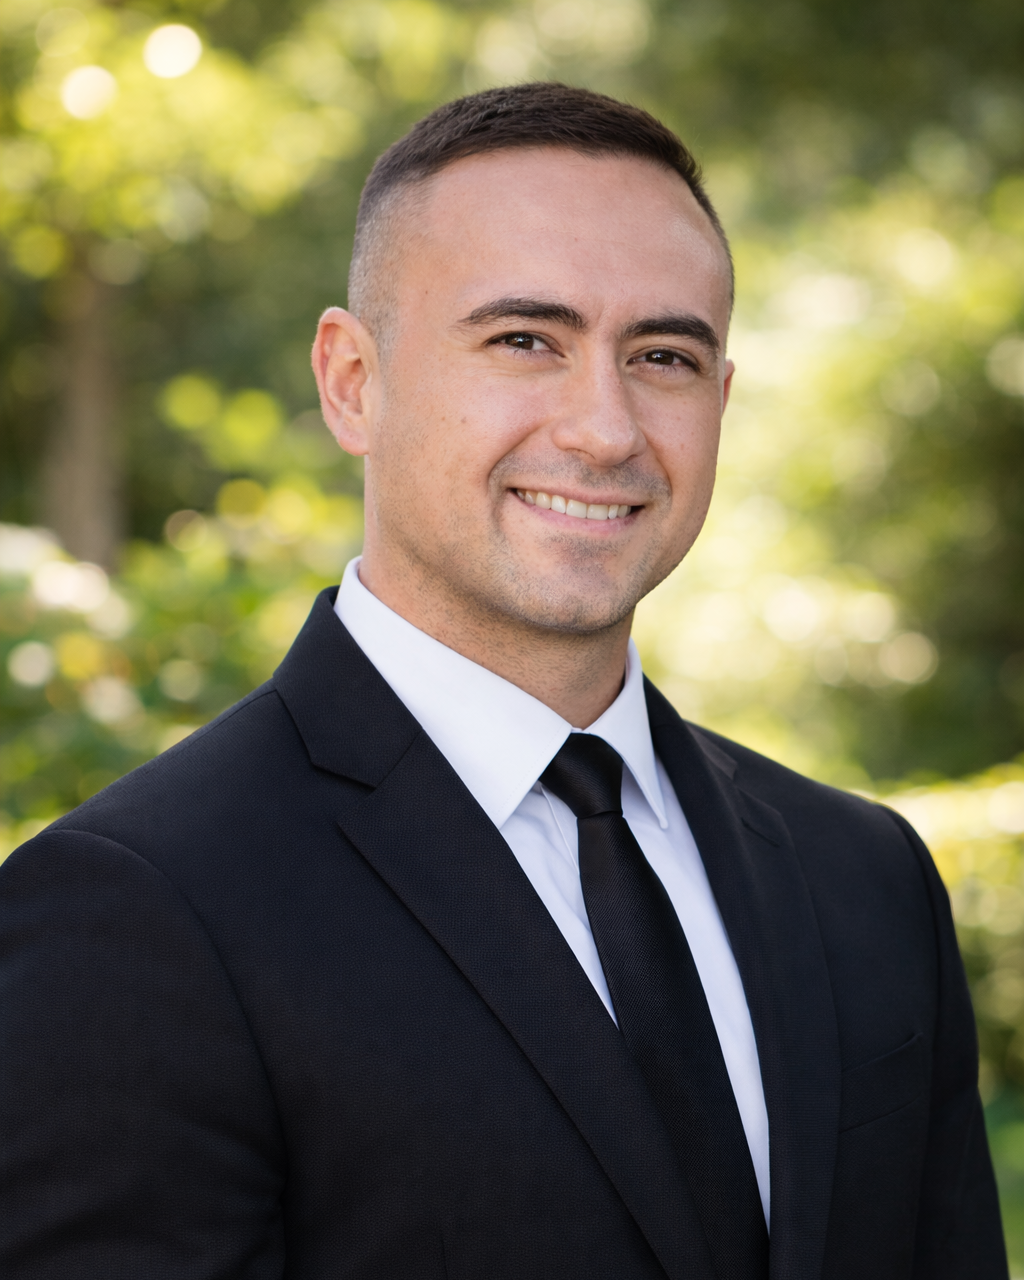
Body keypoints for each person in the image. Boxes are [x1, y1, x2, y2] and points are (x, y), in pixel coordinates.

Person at [0, 83, 1007, 1280]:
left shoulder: (866, 878)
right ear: (351, 381)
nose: (604, 427)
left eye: (664, 355)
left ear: (720, 402)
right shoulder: (134, 913)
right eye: (525, 339)